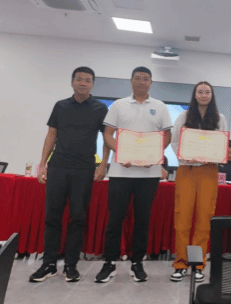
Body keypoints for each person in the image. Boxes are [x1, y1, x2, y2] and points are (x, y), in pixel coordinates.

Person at [29, 67, 109, 283]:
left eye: (87, 80)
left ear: (92, 84)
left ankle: (71, 266)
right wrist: (43, 164)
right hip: (58, 167)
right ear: (72, 82)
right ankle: (48, 264)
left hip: (84, 169)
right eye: (79, 79)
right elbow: (51, 135)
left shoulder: (100, 108)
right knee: (52, 217)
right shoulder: (60, 106)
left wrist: (103, 165)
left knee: (77, 218)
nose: (83, 83)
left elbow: (107, 138)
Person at [95, 67, 172, 283]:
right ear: (131, 81)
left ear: (151, 82)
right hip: (121, 171)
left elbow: (167, 136)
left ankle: (137, 263)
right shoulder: (119, 105)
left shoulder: (160, 106)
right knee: (115, 219)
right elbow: (107, 134)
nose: (141, 82)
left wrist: (154, 155)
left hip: (149, 174)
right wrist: (121, 152)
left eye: (145, 79)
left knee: (142, 220)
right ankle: (109, 263)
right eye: (137, 78)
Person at [170, 81, 227, 283]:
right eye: (200, 91)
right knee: (182, 219)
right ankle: (180, 264)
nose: (204, 95)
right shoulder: (184, 116)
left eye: (207, 92)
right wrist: (186, 156)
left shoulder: (220, 118)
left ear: (212, 95)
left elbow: (222, 144)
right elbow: (175, 142)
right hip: (187, 170)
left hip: (209, 171)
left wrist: (214, 156)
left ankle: (198, 264)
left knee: (204, 219)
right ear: (195, 95)